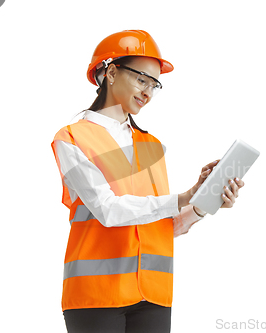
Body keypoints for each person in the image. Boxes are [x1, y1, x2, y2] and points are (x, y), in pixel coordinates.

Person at [51, 30, 245, 333]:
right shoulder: (73, 138)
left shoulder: (152, 146)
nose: (148, 92)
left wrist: (203, 202)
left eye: (155, 85)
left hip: (153, 293)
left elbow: (161, 226)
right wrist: (183, 196)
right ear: (112, 72)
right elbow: (108, 210)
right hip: (96, 296)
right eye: (142, 79)